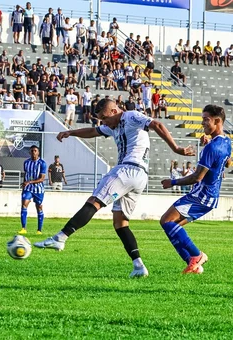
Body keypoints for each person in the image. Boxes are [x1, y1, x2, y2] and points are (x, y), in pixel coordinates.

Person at [34, 98, 194, 278]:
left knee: (94, 201)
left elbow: (156, 124)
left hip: (127, 169)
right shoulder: (112, 126)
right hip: (139, 177)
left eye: (104, 117)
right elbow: (93, 131)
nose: (104, 122)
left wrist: (176, 148)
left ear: (114, 110)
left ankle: (60, 238)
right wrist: (71, 132)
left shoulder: (131, 116)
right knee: (120, 223)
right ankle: (139, 266)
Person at [160, 105, 231, 274]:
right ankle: (194, 266)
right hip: (211, 197)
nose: (202, 123)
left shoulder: (212, 148)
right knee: (173, 227)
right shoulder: (226, 141)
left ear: (218, 121)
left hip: (201, 195)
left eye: (206, 119)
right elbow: (228, 162)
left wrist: (173, 182)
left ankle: (196, 255)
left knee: (166, 221)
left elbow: (196, 177)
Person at [18, 145, 46, 235]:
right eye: (32, 151)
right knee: (24, 204)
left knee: (39, 207)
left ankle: (39, 230)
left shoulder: (42, 163)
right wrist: (24, 184)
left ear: (38, 152)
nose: (33, 152)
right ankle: (23, 228)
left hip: (38, 189)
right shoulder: (26, 162)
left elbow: (41, 179)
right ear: (30, 152)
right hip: (28, 188)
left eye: (35, 150)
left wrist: (29, 182)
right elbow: (26, 174)